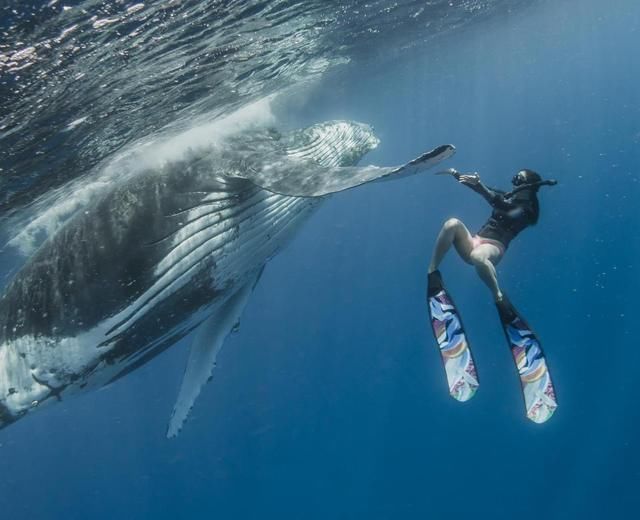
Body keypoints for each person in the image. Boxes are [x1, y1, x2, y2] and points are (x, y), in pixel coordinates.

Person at [427, 168, 555, 303]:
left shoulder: (528, 210)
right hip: (474, 242)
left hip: (493, 248)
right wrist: (455, 173)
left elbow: (501, 205)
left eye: (518, 179)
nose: (514, 182)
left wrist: (481, 186)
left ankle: (498, 296)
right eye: (514, 178)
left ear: (528, 185)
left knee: (477, 256)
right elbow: (482, 189)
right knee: (452, 224)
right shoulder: (507, 197)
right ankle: (432, 272)